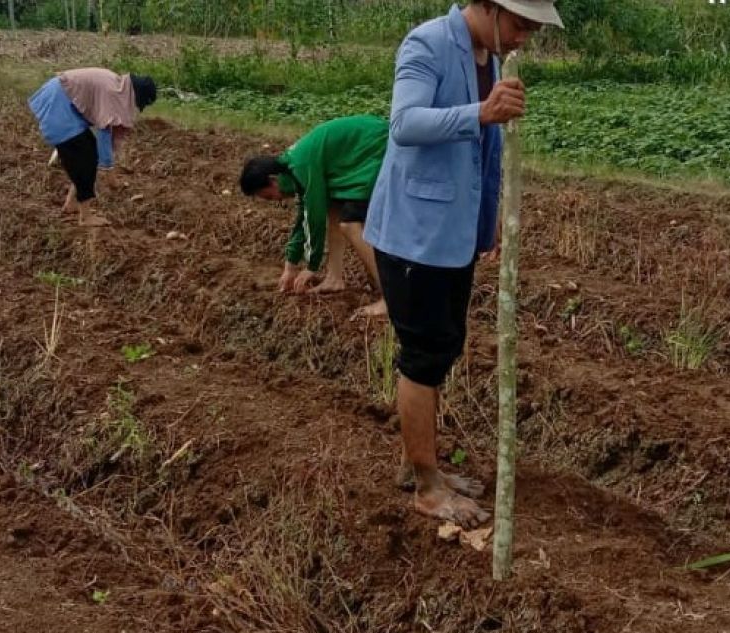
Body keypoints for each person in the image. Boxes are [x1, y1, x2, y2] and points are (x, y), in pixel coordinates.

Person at [363, 0, 561, 527]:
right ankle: (427, 487)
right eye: (521, 24)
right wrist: (481, 111)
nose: (525, 38)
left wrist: (486, 216)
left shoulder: (487, 55)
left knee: (445, 344)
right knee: (424, 354)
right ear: (489, 7)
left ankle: (418, 462)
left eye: (534, 30)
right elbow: (405, 124)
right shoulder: (426, 43)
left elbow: (484, 150)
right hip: (413, 236)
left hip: (452, 234)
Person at [239, 115, 390, 319]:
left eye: (268, 196)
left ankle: (390, 298)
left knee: (350, 224)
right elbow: (305, 216)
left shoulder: (301, 166)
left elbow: (313, 216)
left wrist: (311, 266)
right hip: (359, 153)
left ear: (273, 179)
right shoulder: (291, 167)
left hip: (373, 148)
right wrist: (290, 265)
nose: (275, 200)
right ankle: (334, 278)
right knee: (335, 211)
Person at [28, 67, 157, 227]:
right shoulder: (113, 92)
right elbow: (104, 132)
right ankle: (85, 217)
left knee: (87, 154)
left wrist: (108, 166)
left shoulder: (117, 85)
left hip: (61, 100)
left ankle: (71, 204)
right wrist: (109, 171)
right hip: (59, 104)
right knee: (86, 158)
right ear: (135, 95)